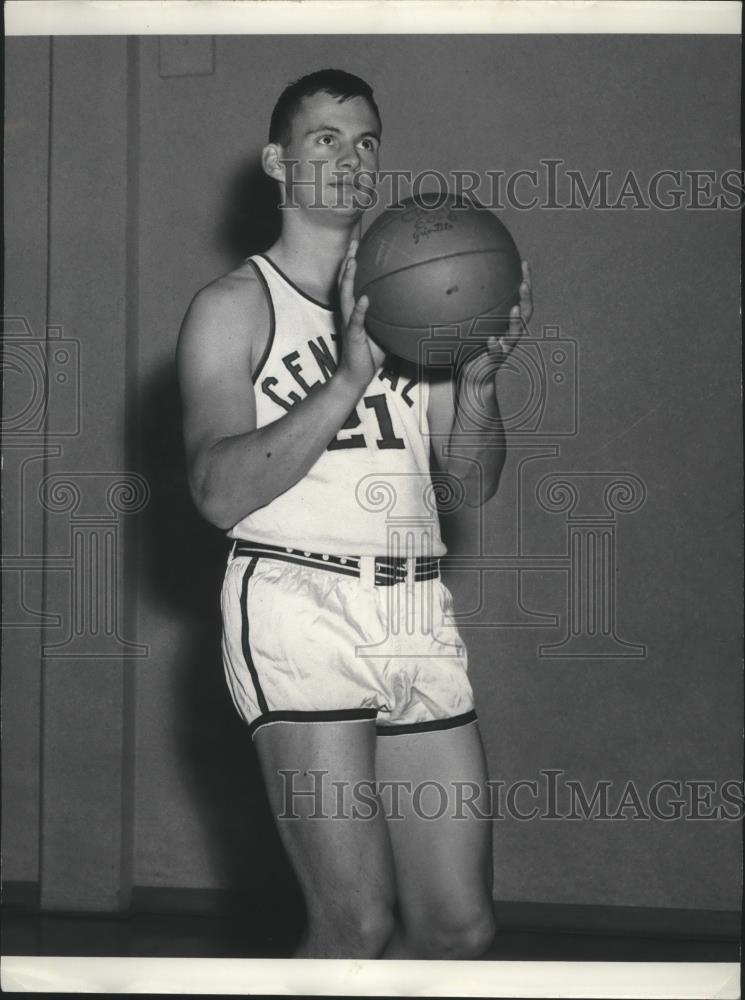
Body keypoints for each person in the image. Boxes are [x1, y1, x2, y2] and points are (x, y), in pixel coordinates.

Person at [177, 69, 533, 959]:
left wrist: (478, 388)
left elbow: (471, 485)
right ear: (277, 161)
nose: (349, 158)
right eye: (324, 139)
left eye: (365, 142)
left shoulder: (426, 294)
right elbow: (218, 491)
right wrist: (346, 378)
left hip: (412, 608)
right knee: (356, 925)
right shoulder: (234, 307)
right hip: (298, 604)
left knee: (458, 927)